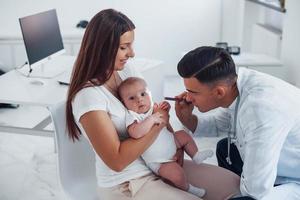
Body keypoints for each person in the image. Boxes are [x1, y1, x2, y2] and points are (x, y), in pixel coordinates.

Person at [66, 9, 240, 200]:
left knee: (234, 186)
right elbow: (117, 161)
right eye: (124, 47)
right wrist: (157, 126)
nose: (132, 53)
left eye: (131, 45)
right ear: (102, 48)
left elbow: (153, 110)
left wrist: (175, 144)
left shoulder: (126, 71)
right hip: (128, 183)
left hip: (162, 163)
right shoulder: (88, 97)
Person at [175, 46, 300, 200]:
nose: (188, 98)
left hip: (295, 178)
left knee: (247, 198)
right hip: (284, 161)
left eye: (193, 92)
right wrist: (188, 119)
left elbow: (256, 191)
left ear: (219, 92)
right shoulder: (238, 85)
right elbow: (220, 124)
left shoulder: (260, 109)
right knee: (224, 148)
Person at [118, 77, 214, 198]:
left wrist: (165, 108)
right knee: (177, 175)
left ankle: (196, 155)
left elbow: (165, 119)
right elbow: (136, 133)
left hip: (173, 142)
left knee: (183, 135)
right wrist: (152, 119)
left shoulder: (153, 108)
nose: (139, 100)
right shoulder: (132, 116)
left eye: (143, 94)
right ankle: (188, 188)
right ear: (123, 103)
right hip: (160, 161)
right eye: (132, 98)